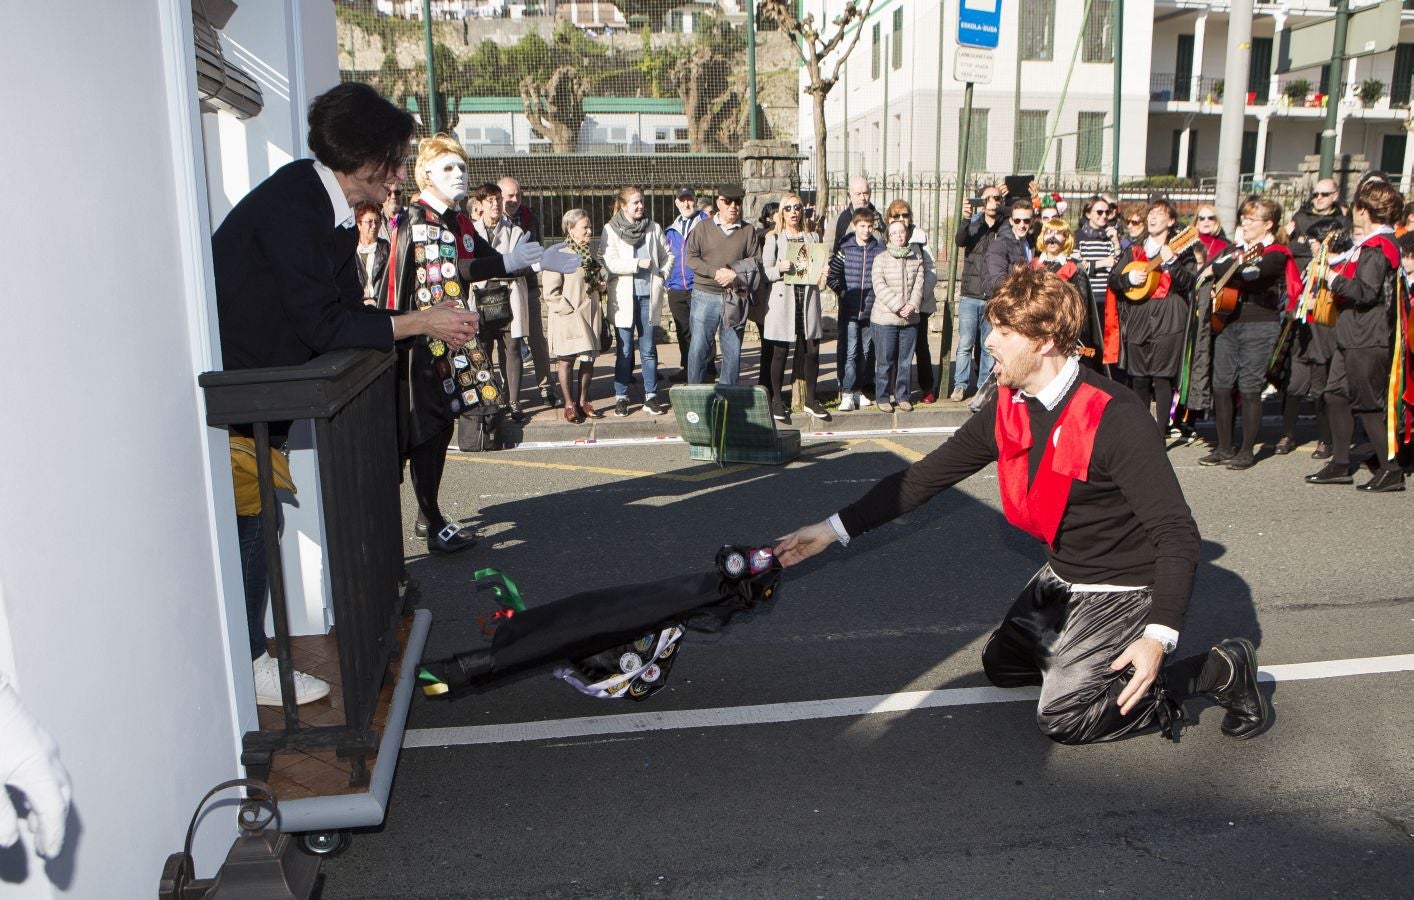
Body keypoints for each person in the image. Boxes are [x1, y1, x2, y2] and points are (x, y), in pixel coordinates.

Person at [774, 266, 1270, 746]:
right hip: (1063, 574)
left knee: (1064, 717)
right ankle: (1078, 656)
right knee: (1003, 668)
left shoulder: (1116, 417)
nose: (989, 342)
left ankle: (1221, 669)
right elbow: (924, 477)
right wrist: (832, 530)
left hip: (1120, 585)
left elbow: (1177, 535)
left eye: (1004, 332)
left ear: (1046, 339)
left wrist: (1159, 637)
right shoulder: (1010, 403)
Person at [214, 85, 485, 706]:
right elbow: (324, 325)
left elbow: (342, 311)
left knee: (258, 522)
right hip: (241, 411)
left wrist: (417, 316)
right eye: (394, 160)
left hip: (257, 415)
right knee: (254, 526)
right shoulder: (297, 204)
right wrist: (420, 322)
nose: (398, 174)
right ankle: (248, 658)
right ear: (363, 159)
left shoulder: (318, 206)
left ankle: (248, 653)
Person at [388, 141, 543, 552]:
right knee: (426, 429)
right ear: (426, 175)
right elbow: (449, 271)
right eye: (448, 168)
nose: (460, 174)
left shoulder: (454, 219)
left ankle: (429, 515)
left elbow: (480, 258)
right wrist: (509, 263)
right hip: (420, 343)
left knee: (440, 428)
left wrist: (530, 260)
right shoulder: (418, 219)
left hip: (447, 334)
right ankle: (430, 517)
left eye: (462, 167)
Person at [1307, 179, 1409, 492]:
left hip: (1368, 336)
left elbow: (1366, 292)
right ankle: (1340, 463)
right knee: (1335, 395)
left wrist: (1331, 278)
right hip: (1353, 334)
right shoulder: (1371, 245)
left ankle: (1391, 469)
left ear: (1363, 211)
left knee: (1368, 405)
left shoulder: (1379, 247)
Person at [1200, 197, 1300, 470]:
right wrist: (1224, 269)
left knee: (1249, 387)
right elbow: (1206, 270)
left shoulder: (1276, 252)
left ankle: (1246, 451)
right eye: (1243, 217)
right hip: (1227, 321)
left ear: (1268, 225)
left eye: (1251, 219)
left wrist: (1222, 268)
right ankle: (1223, 447)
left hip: (1259, 324)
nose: (1244, 223)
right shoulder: (1234, 250)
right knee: (1221, 385)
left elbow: (1254, 274)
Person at [1107, 200, 1198, 435]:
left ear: (1171, 221)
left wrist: (1172, 263)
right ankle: (1141, 430)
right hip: (1139, 314)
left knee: (1162, 377)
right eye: (1151, 214)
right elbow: (1114, 280)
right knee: (1139, 377)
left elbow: (1190, 283)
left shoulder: (1181, 249)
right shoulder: (1135, 249)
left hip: (1169, 316)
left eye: (1159, 214)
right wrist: (1128, 280)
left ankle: (1159, 433)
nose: (1152, 218)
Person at [601, 185, 673, 416]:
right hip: (623, 297)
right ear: (623, 206)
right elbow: (609, 262)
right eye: (635, 203)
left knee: (649, 349)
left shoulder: (653, 227)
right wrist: (635, 265)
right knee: (623, 350)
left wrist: (662, 275)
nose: (641, 206)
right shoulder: (610, 230)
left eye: (642, 202)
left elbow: (667, 255)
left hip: (647, 296)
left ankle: (651, 396)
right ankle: (621, 396)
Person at [761, 192, 829, 423]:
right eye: (788, 208)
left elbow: (819, 266)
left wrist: (823, 272)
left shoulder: (812, 238)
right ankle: (777, 400)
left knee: (812, 349)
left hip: (807, 297)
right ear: (782, 212)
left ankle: (811, 400)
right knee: (780, 351)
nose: (793, 212)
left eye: (797, 207)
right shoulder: (773, 238)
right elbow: (766, 271)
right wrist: (780, 267)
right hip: (783, 299)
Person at [684, 183, 760, 386]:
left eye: (737, 202)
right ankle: (694, 395)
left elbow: (756, 262)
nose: (733, 206)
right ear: (719, 203)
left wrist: (734, 273)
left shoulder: (748, 231)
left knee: (732, 352)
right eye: (728, 201)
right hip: (704, 295)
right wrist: (715, 272)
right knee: (699, 349)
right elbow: (690, 258)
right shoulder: (702, 227)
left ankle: (728, 398)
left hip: (734, 297)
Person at [471, 181, 535, 422]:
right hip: (481, 297)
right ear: (480, 205)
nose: (495, 204)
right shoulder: (472, 232)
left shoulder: (515, 231)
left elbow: (521, 265)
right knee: (484, 350)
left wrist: (499, 268)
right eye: (490, 200)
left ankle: (514, 401)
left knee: (512, 348)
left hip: (509, 296)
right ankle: (489, 398)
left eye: (498, 199)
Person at [499, 176, 560, 409]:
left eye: (518, 195)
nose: (514, 200)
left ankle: (546, 387)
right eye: (509, 196)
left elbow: (537, 250)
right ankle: (508, 391)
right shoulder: (493, 220)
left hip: (528, 285)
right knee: (509, 343)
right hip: (502, 290)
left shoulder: (529, 218)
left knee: (537, 339)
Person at [543, 209, 605, 424]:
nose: (589, 231)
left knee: (588, 360)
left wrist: (600, 286)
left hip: (589, 315)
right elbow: (550, 293)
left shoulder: (589, 254)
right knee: (566, 361)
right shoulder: (558, 255)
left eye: (589, 227)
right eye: (584, 227)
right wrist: (567, 310)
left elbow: (592, 282)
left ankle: (583, 401)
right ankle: (569, 405)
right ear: (570, 229)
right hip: (568, 317)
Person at [827, 209, 885, 410]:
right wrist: (842, 293)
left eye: (870, 226)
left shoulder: (879, 250)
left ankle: (859, 390)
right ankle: (847, 392)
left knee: (866, 352)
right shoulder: (845, 250)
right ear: (854, 226)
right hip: (850, 310)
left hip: (871, 310)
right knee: (851, 351)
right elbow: (832, 277)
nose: (867, 230)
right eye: (862, 226)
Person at [951, 184, 1003, 400]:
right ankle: (960, 385)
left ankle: (983, 386)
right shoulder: (973, 224)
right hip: (970, 296)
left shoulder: (1005, 226)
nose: (992, 201)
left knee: (988, 346)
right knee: (965, 344)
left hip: (993, 296)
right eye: (987, 198)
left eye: (996, 198)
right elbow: (960, 240)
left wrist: (1004, 207)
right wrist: (965, 218)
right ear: (980, 201)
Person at [1032, 216, 1103, 370]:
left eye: (1058, 233)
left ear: (1066, 238)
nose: (1052, 237)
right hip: (1036, 329)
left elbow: (1080, 306)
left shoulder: (1074, 268)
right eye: (1048, 232)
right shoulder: (1033, 266)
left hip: (1062, 331)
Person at [884, 200, 939, 402]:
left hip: (919, 303)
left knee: (921, 346)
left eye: (905, 215)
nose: (901, 220)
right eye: (896, 216)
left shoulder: (919, 237)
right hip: (895, 304)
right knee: (896, 348)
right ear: (889, 218)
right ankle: (898, 390)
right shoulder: (887, 237)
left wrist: (917, 300)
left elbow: (930, 270)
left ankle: (927, 387)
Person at [871, 218, 925, 412]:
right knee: (885, 360)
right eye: (893, 233)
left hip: (910, 318)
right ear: (888, 236)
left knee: (905, 361)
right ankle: (883, 396)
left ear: (907, 234)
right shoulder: (881, 259)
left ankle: (903, 396)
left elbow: (919, 284)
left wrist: (912, 305)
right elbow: (879, 286)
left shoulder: (916, 257)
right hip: (885, 318)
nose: (898, 236)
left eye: (901, 232)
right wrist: (900, 305)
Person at [665, 187, 708, 381]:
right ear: (676, 203)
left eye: (689, 199)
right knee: (683, 331)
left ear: (695, 200)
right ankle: (688, 368)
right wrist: (667, 282)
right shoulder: (671, 230)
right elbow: (666, 257)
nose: (686, 203)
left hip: (699, 286)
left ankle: (707, 370)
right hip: (676, 288)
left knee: (702, 330)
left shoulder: (707, 223)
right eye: (682, 200)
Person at [1075, 195, 1121, 326]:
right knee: (1089, 343)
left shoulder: (1109, 236)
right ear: (1088, 214)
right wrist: (1103, 263)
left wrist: (1116, 242)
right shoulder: (1078, 237)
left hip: (1108, 297)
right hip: (1087, 297)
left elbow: (1117, 264)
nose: (1104, 215)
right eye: (1099, 212)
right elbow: (1078, 267)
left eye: (1107, 212)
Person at [354, 201, 390, 306]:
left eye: (377, 222)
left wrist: (377, 300)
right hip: (356, 307)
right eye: (369, 222)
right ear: (359, 225)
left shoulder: (388, 249)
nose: (374, 226)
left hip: (381, 305)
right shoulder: (349, 251)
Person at [833, 176, 880, 248]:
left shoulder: (881, 220)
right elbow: (830, 253)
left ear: (870, 194)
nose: (862, 198)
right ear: (849, 196)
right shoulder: (838, 221)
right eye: (858, 194)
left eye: (865, 193)